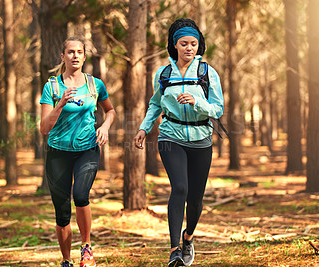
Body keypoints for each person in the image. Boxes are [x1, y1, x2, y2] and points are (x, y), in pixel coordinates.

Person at [134, 18, 224, 267]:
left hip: (201, 139)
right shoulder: (164, 74)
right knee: (180, 188)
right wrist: (144, 128)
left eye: (193, 44)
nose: (189, 48)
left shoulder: (207, 73)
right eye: (184, 43)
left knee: (195, 198)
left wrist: (198, 103)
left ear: (198, 46)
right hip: (170, 135)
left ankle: (188, 237)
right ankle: (174, 250)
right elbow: (155, 104)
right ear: (175, 45)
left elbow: (217, 109)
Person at [40, 37, 116, 267]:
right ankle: (66, 260)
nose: (75, 55)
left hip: (87, 149)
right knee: (62, 213)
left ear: (84, 56)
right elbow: (44, 128)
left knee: (81, 195)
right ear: (62, 56)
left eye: (79, 52)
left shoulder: (95, 85)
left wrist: (104, 126)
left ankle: (86, 248)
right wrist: (61, 103)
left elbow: (110, 111)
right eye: (70, 52)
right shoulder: (52, 86)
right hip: (58, 153)